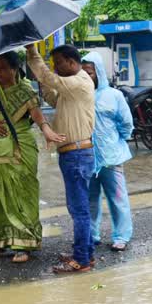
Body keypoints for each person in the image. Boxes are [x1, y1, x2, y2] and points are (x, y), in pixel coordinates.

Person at [0, 51, 65, 263]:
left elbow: (37, 114)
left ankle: (23, 245)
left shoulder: (25, 90)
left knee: (22, 197)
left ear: (14, 69)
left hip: (20, 150)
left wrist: (47, 130)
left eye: (3, 68)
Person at [25, 43, 96, 274]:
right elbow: (54, 98)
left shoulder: (79, 82)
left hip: (76, 154)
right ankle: (85, 253)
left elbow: (49, 78)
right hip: (73, 153)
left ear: (72, 62)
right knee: (79, 208)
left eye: (58, 63)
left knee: (79, 210)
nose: (55, 68)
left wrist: (32, 52)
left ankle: (81, 260)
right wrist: (42, 83)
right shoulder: (72, 88)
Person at [81, 52, 134, 252]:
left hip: (111, 157)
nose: (87, 76)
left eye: (90, 72)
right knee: (90, 199)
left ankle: (121, 236)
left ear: (99, 72)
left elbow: (126, 124)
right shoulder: (81, 94)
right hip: (87, 157)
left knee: (117, 198)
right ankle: (92, 235)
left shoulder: (114, 95)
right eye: (83, 72)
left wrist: (115, 142)